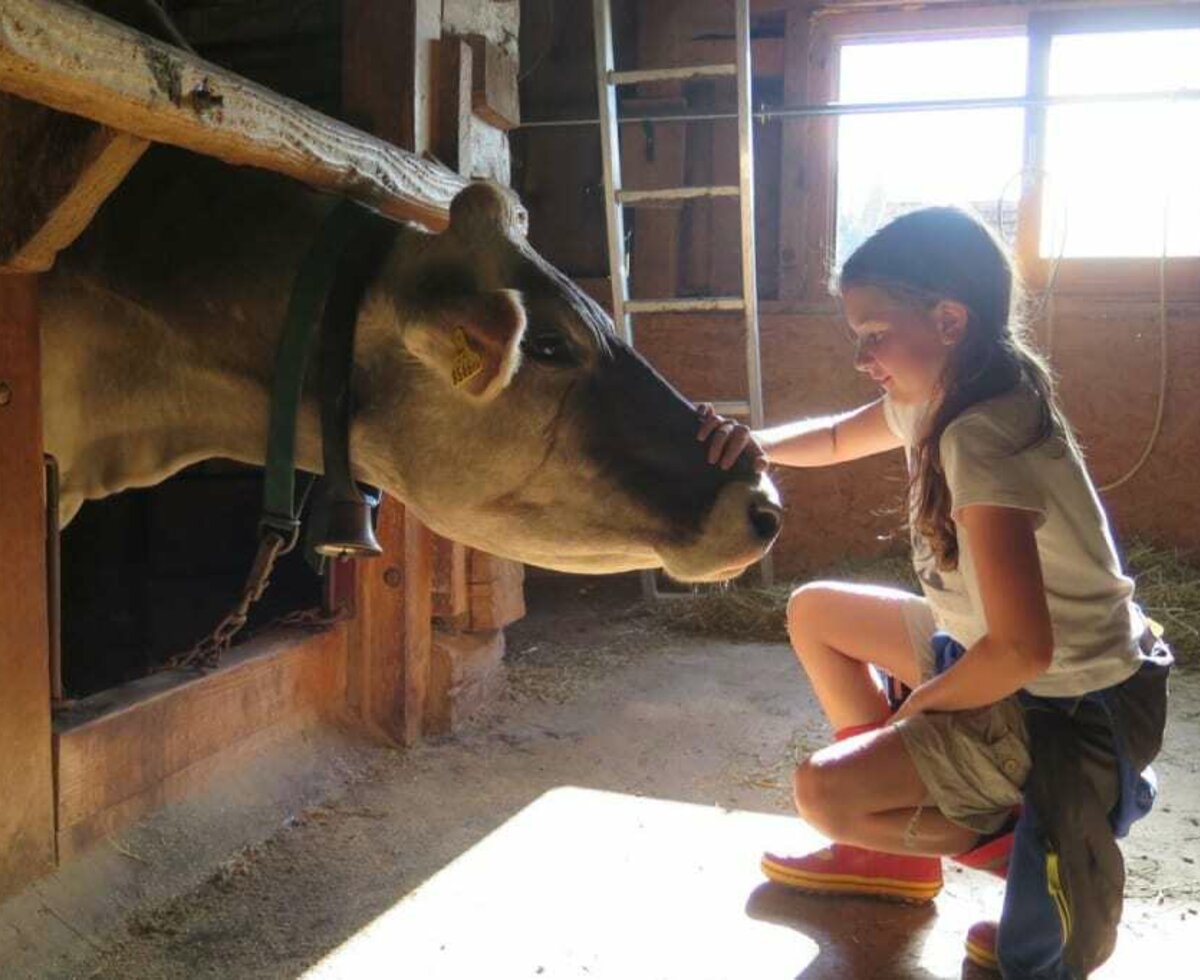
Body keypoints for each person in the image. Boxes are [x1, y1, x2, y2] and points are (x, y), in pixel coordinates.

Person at [696, 206, 1170, 975]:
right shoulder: (947, 390)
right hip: (1004, 659)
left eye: (874, 335)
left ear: (949, 319)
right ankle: (896, 859)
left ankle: (1038, 844)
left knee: (823, 793)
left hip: (1069, 709)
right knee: (816, 611)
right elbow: (841, 436)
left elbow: (1023, 649)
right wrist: (756, 443)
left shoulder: (982, 436)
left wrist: (919, 710)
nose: (863, 358)